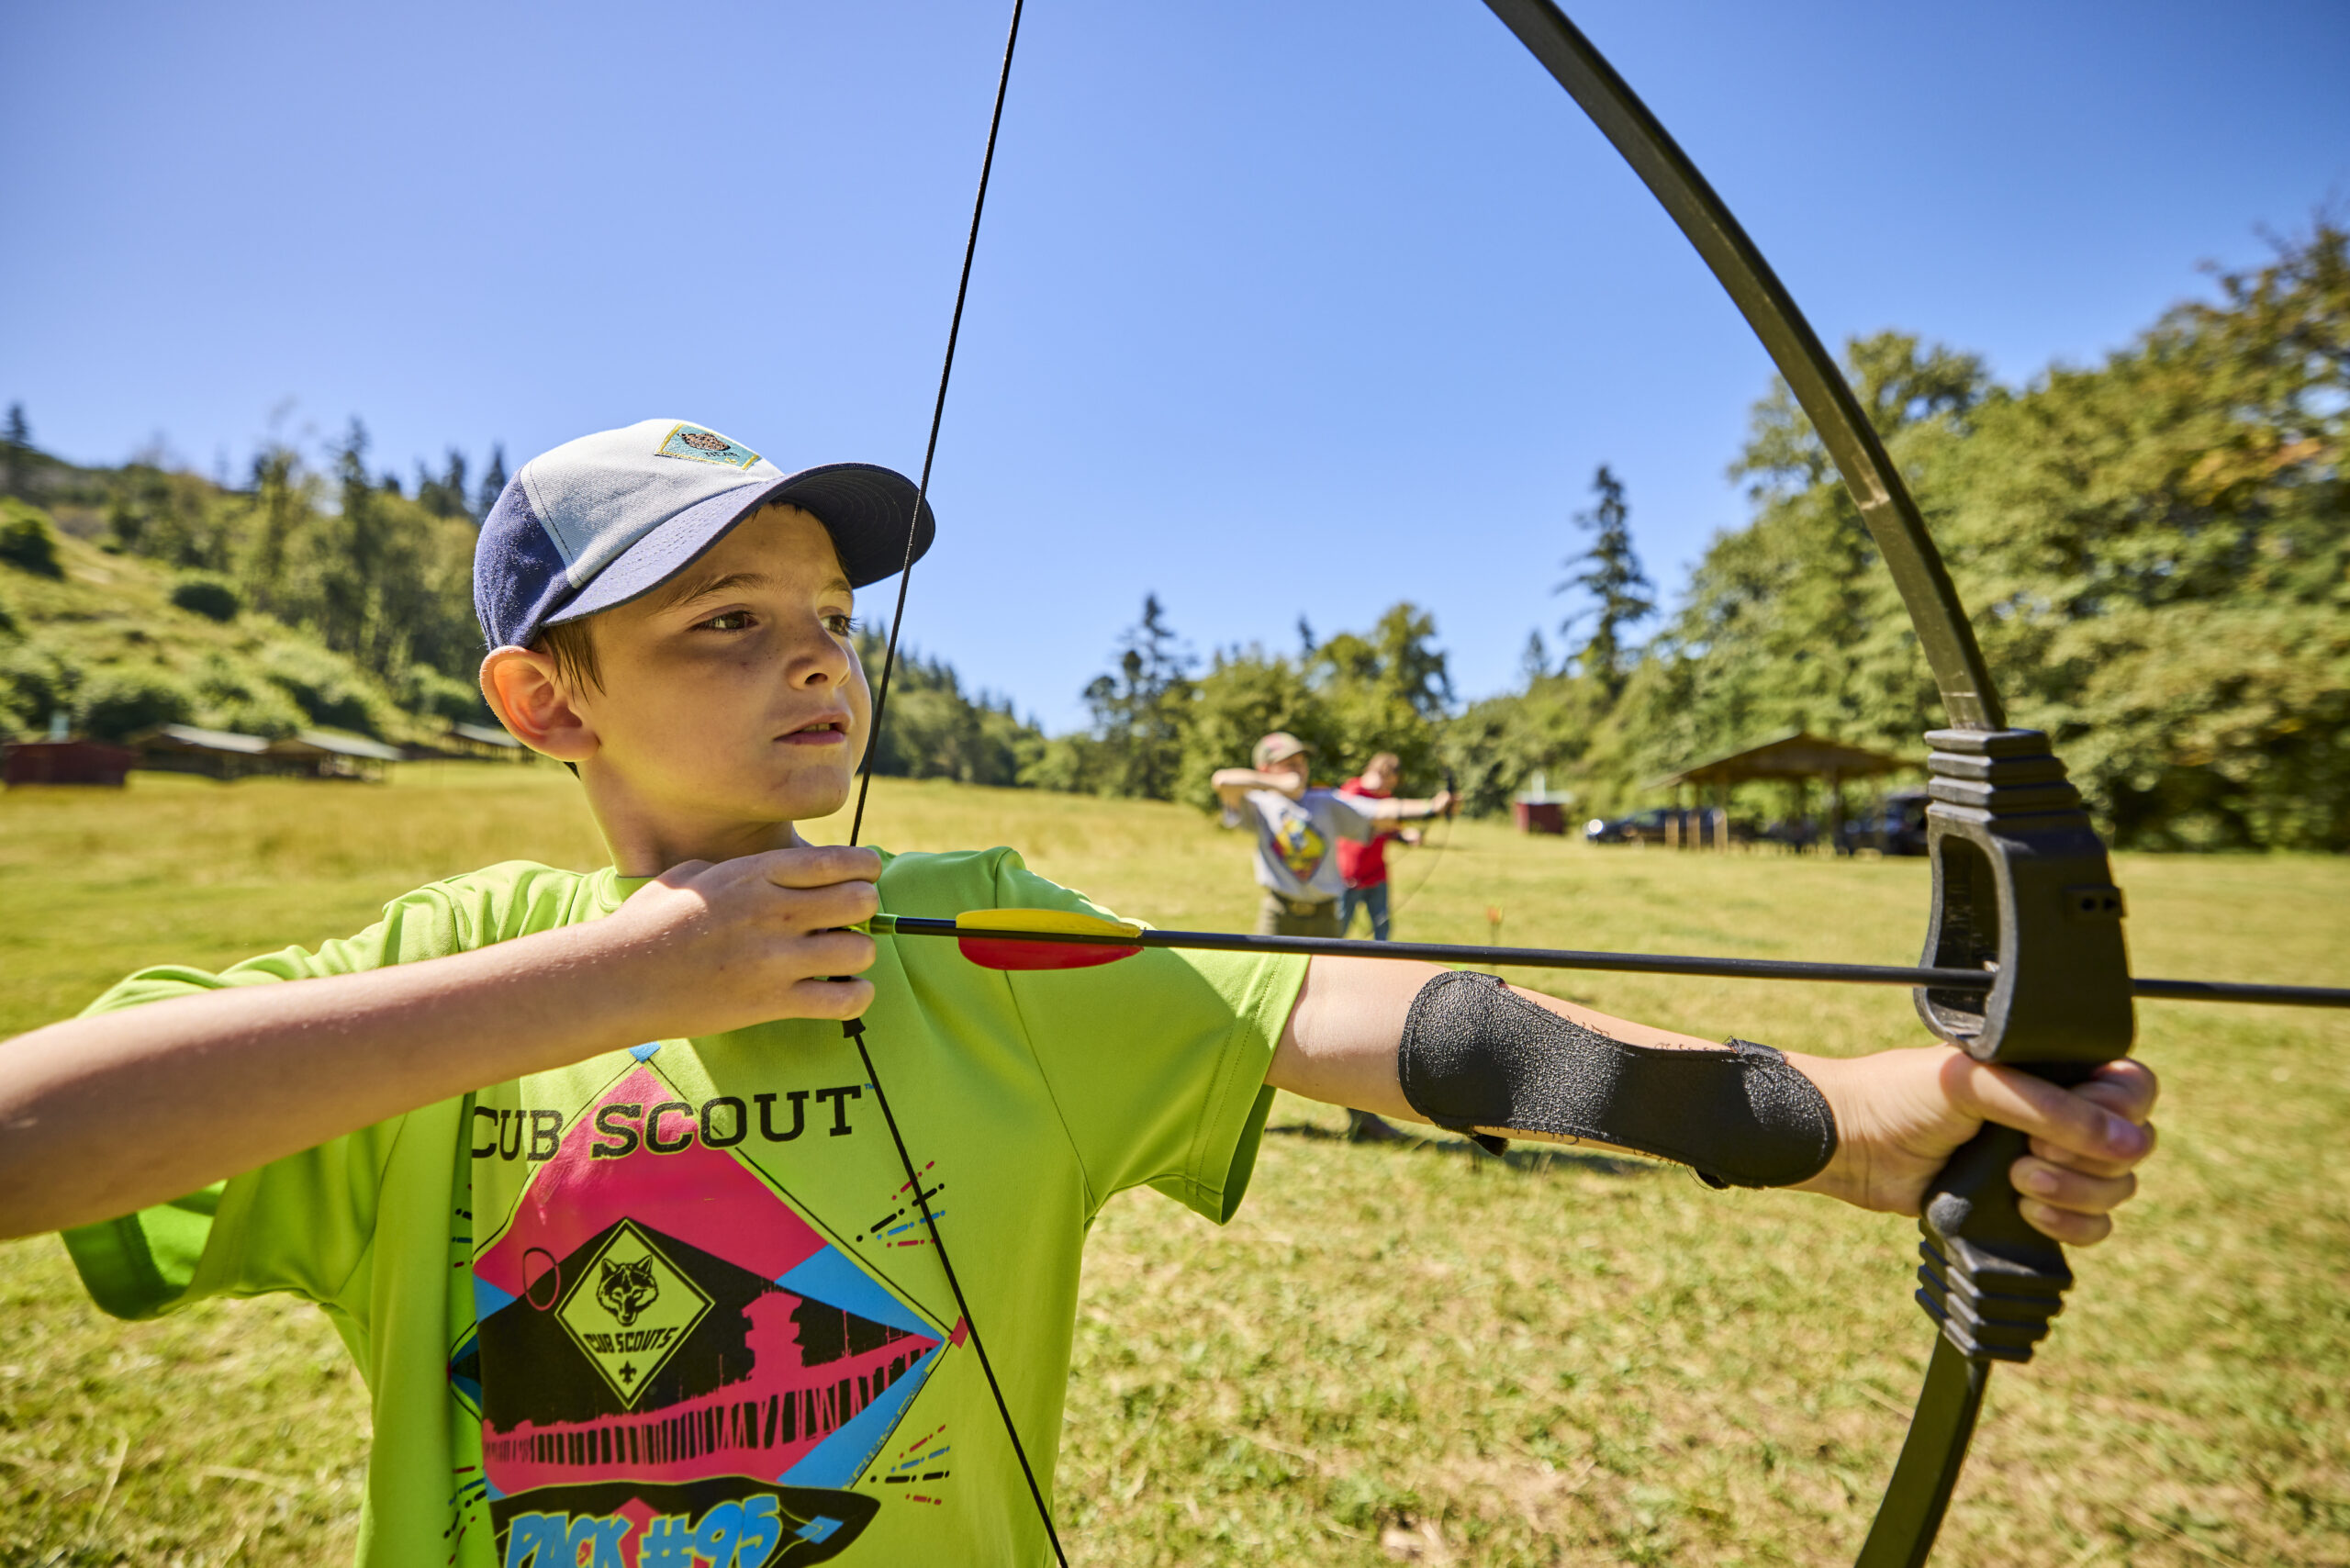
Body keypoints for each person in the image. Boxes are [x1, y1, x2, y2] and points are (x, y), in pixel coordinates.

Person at [0, 419, 2162, 1568]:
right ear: (543, 699)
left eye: (827, 612)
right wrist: (618, 983)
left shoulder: (978, 931)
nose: (813, 659)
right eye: (717, 625)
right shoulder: (424, 979)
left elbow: (1409, 1035)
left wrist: (1835, 1117)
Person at [1212, 735, 1449, 941]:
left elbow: (1380, 810)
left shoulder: (1326, 800)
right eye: (1290, 764)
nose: (1300, 769)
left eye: (1302, 763)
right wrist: (1279, 784)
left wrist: (1432, 806)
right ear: (1264, 769)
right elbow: (1222, 780)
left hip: (1325, 913)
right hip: (1278, 910)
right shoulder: (1258, 804)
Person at [1335, 751, 1423, 942]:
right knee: (1337, 931)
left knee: (1382, 928)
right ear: (1377, 772)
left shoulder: (1385, 797)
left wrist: (1404, 835)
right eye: (1387, 780)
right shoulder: (1353, 790)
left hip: (1377, 875)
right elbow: (1350, 811)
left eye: (1391, 783)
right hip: (1349, 876)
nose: (1388, 787)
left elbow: (1390, 828)